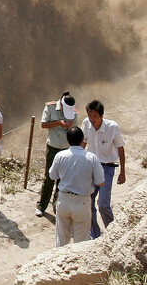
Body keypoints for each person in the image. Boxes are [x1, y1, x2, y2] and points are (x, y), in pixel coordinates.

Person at [49, 126, 104, 247]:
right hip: (82, 201)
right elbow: (100, 181)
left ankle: (59, 263)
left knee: (61, 239)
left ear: (68, 141)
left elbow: (52, 175)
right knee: (81, 241)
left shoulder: (60, 155)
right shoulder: (91, 158)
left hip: (64, 199)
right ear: (83, 140)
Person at [82, 100, 126, 239]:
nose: (91, 119)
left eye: (94, 116)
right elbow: (83, 144)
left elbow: (120, 148)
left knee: (103, 204)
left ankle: (113, 233)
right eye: (89, 116)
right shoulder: (86, 124)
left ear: (101, 115)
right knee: (88, 202)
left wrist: (122, 171)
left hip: (107, 168)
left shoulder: (112, 127)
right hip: (91, 168)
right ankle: (94, 235)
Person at [35, 92, 77, 218]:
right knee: (49, 177)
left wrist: (70, 127)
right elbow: (43, 124)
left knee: (62, 179)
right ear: (61, 104)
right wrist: (58, 123)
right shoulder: (50, 107)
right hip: (52, 147)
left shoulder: (73, 112)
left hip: (66, 149)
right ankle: (41, 206)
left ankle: (57, 206)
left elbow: (75, 130)